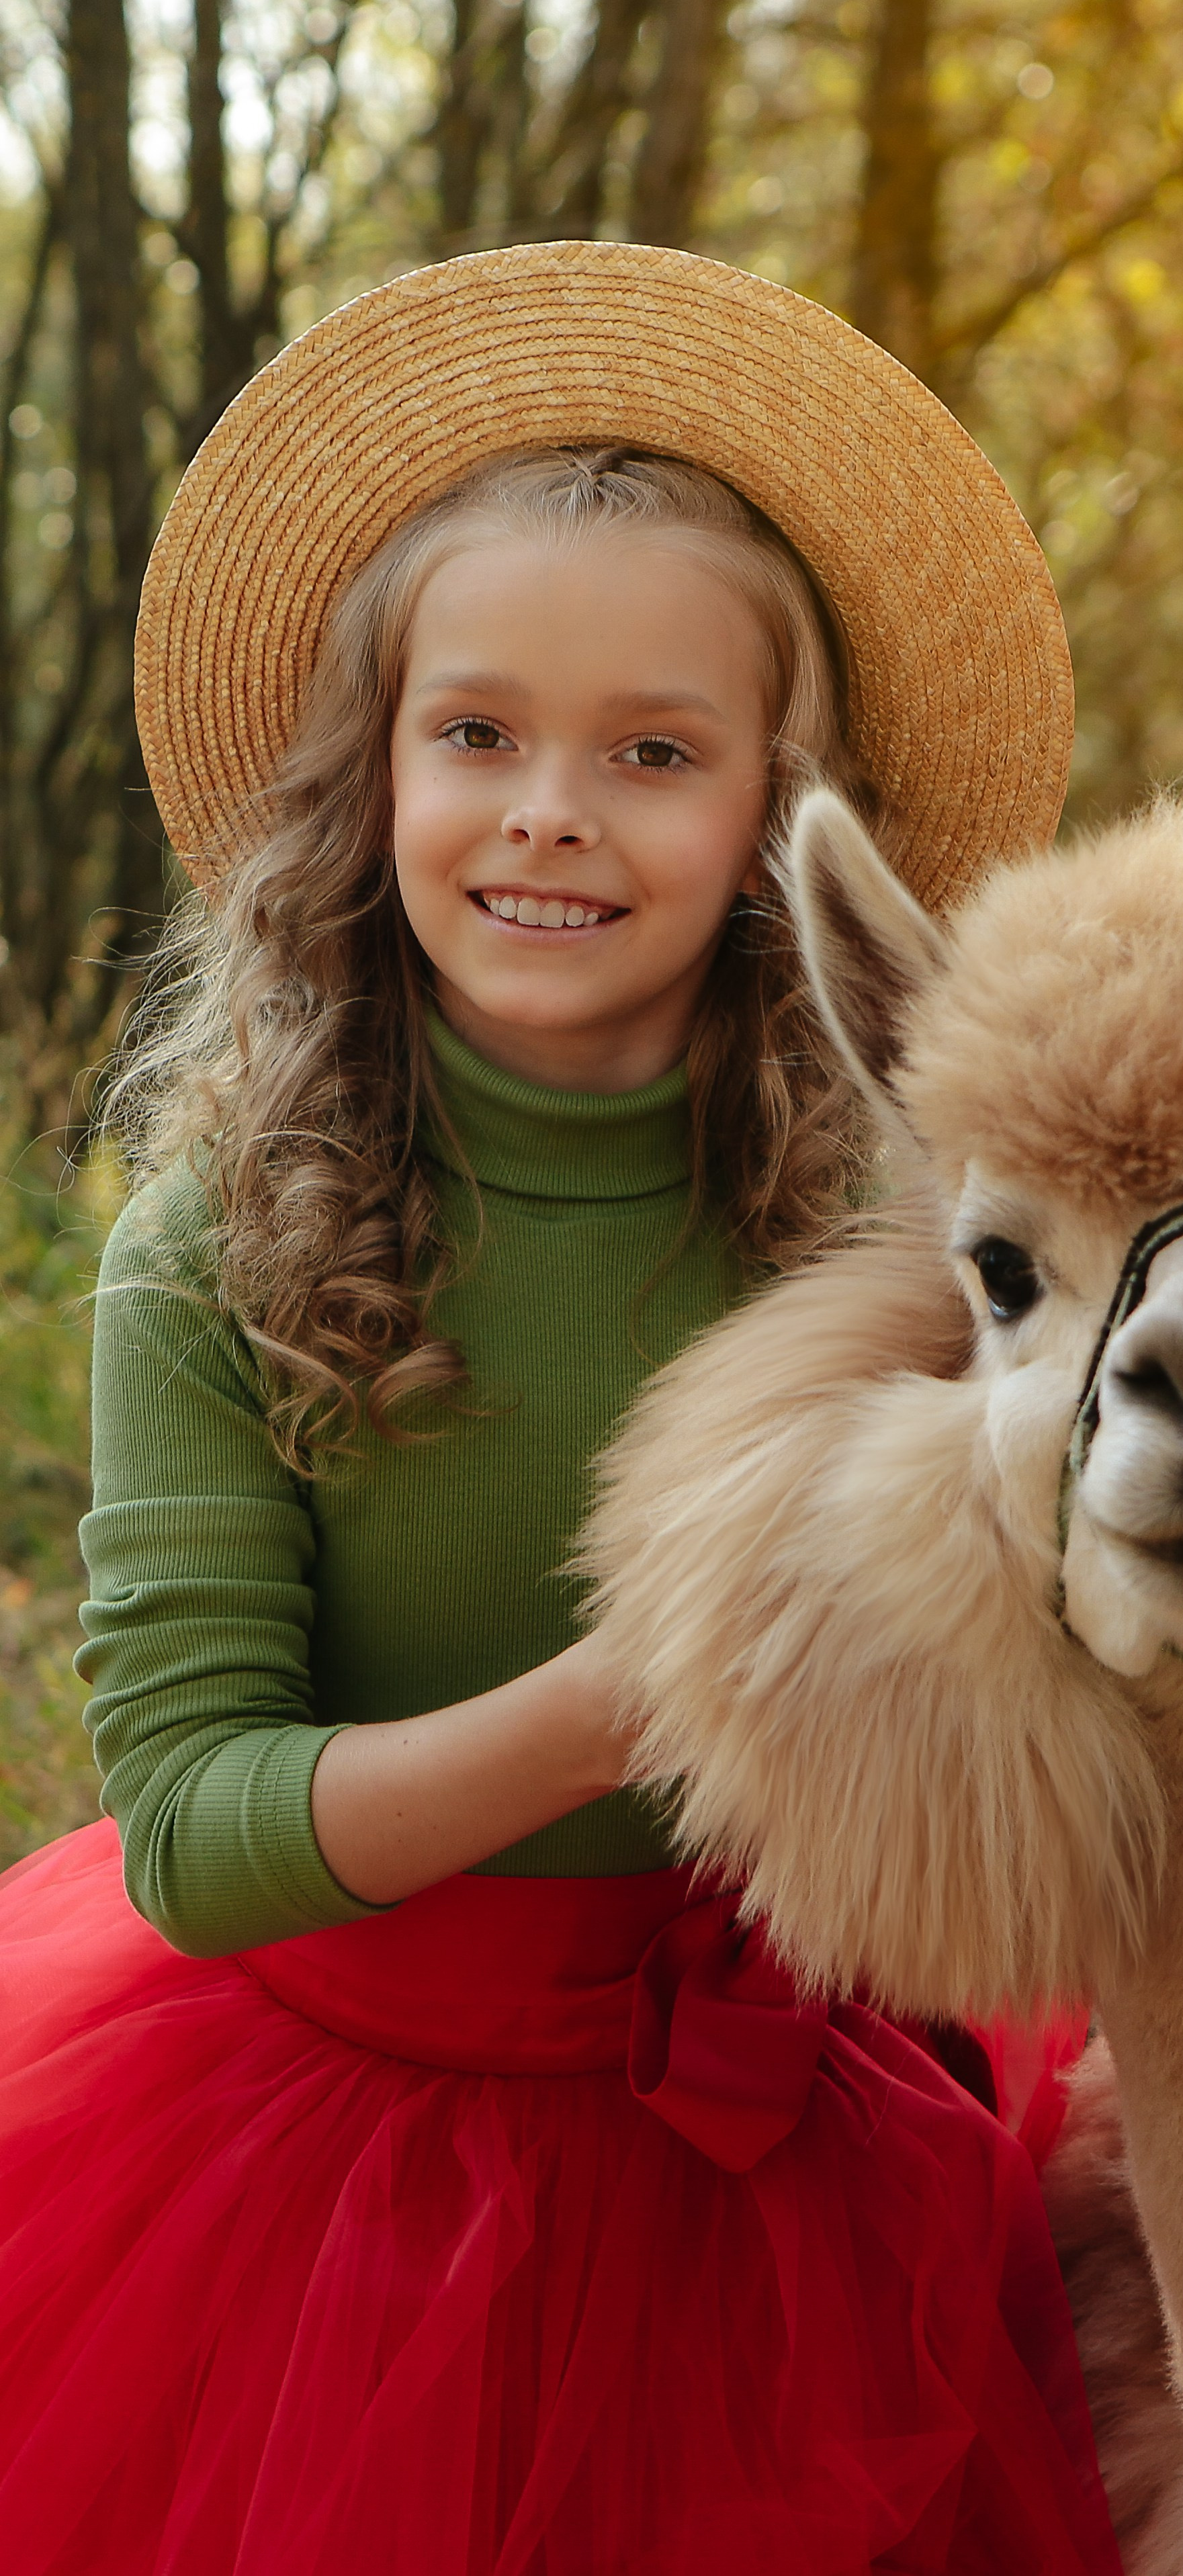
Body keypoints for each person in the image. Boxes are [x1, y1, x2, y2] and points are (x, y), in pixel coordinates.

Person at [0, 242, 1114, 2575]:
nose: (551, 813)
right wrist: (643, 1695)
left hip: (778, 2143)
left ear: (780, 818)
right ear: (372, 770)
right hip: (316, 2167)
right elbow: (198, 1828)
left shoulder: (891, 1229)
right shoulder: (222, 1245)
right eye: (478, 731)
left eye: (657, 751)